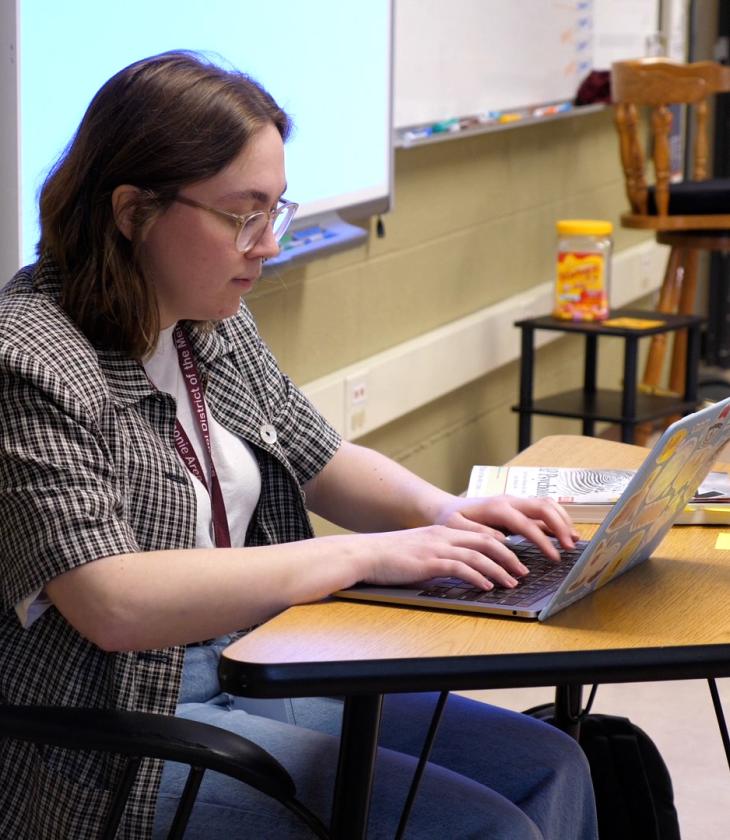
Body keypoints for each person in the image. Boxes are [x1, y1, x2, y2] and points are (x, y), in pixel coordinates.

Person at [0, 51, 597, 840]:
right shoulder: (28, 357)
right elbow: (112, 603)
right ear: (132, 210)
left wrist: (447, 513)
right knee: (483, 829)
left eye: (276, 211)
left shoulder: (209, 316)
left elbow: (319, 454)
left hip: (250, 657)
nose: (268, 246)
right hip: (121, 722)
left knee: (552, 764)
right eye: (243, 215)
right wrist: (363, 556)